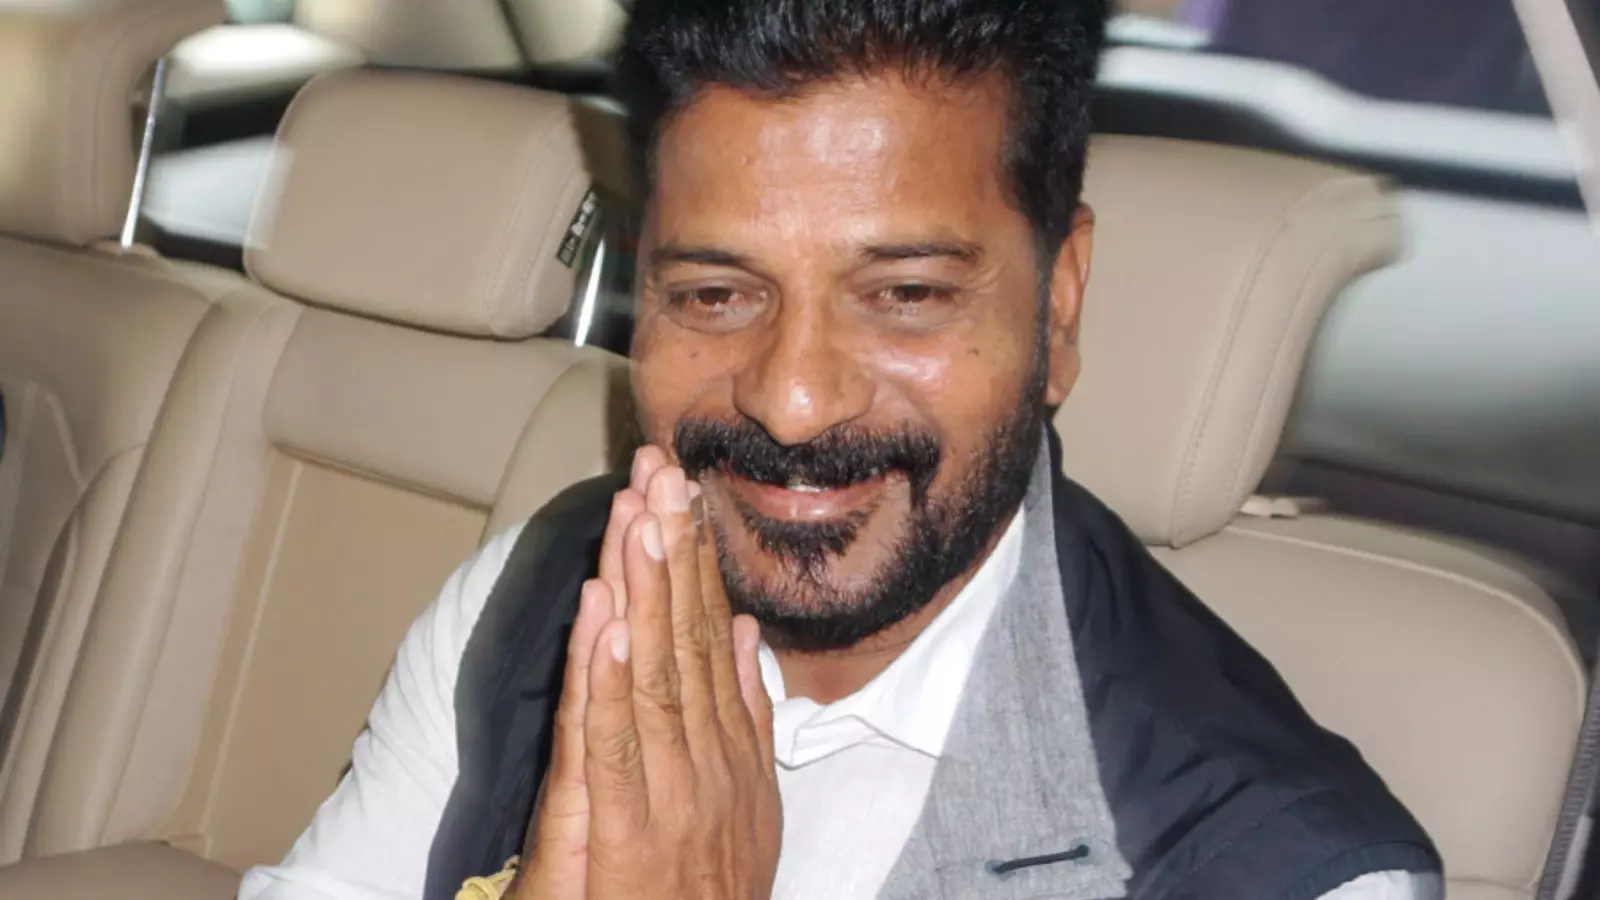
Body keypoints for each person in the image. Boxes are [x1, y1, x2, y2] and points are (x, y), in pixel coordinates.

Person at [239, 1, 1444, 898]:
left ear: (1058, 303)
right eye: (715, 295)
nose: (795, 403)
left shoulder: (1280, 868)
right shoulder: (536, 599)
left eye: (906, 295)